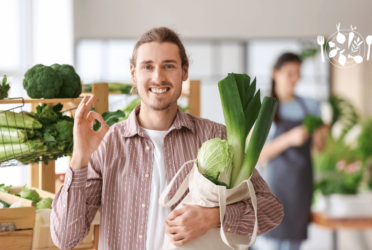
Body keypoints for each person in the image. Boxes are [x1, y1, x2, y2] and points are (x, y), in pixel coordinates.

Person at [50, 27, 284, 250]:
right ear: (134, 73)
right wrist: (80, 158)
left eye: (169, 66)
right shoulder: (108, 143)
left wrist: (213, 217)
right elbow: (65, 238)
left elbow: (271, 211)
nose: (158, 77)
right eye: (148, 67)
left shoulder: (215, 138)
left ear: (184, 71)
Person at [254, 53, 328, 250]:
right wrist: (290, 139)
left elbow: (320, 148)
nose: (295, 79)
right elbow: (258, 156)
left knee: (293, 245)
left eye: (298, 73)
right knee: (270, 243)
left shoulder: (311, 106)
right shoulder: (265, 108)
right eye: (289, 73)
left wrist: (320, 134)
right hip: (274, 189)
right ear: (275, 73)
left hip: (301, 188)